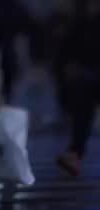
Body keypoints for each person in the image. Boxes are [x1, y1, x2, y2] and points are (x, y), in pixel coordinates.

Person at [56, 0, 100, 177]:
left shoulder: (82, 21)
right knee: (83, 115)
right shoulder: (81, 21)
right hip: (86, 74)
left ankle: (75, 153)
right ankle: (74, 153)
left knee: (83, 115)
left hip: (87, 74)